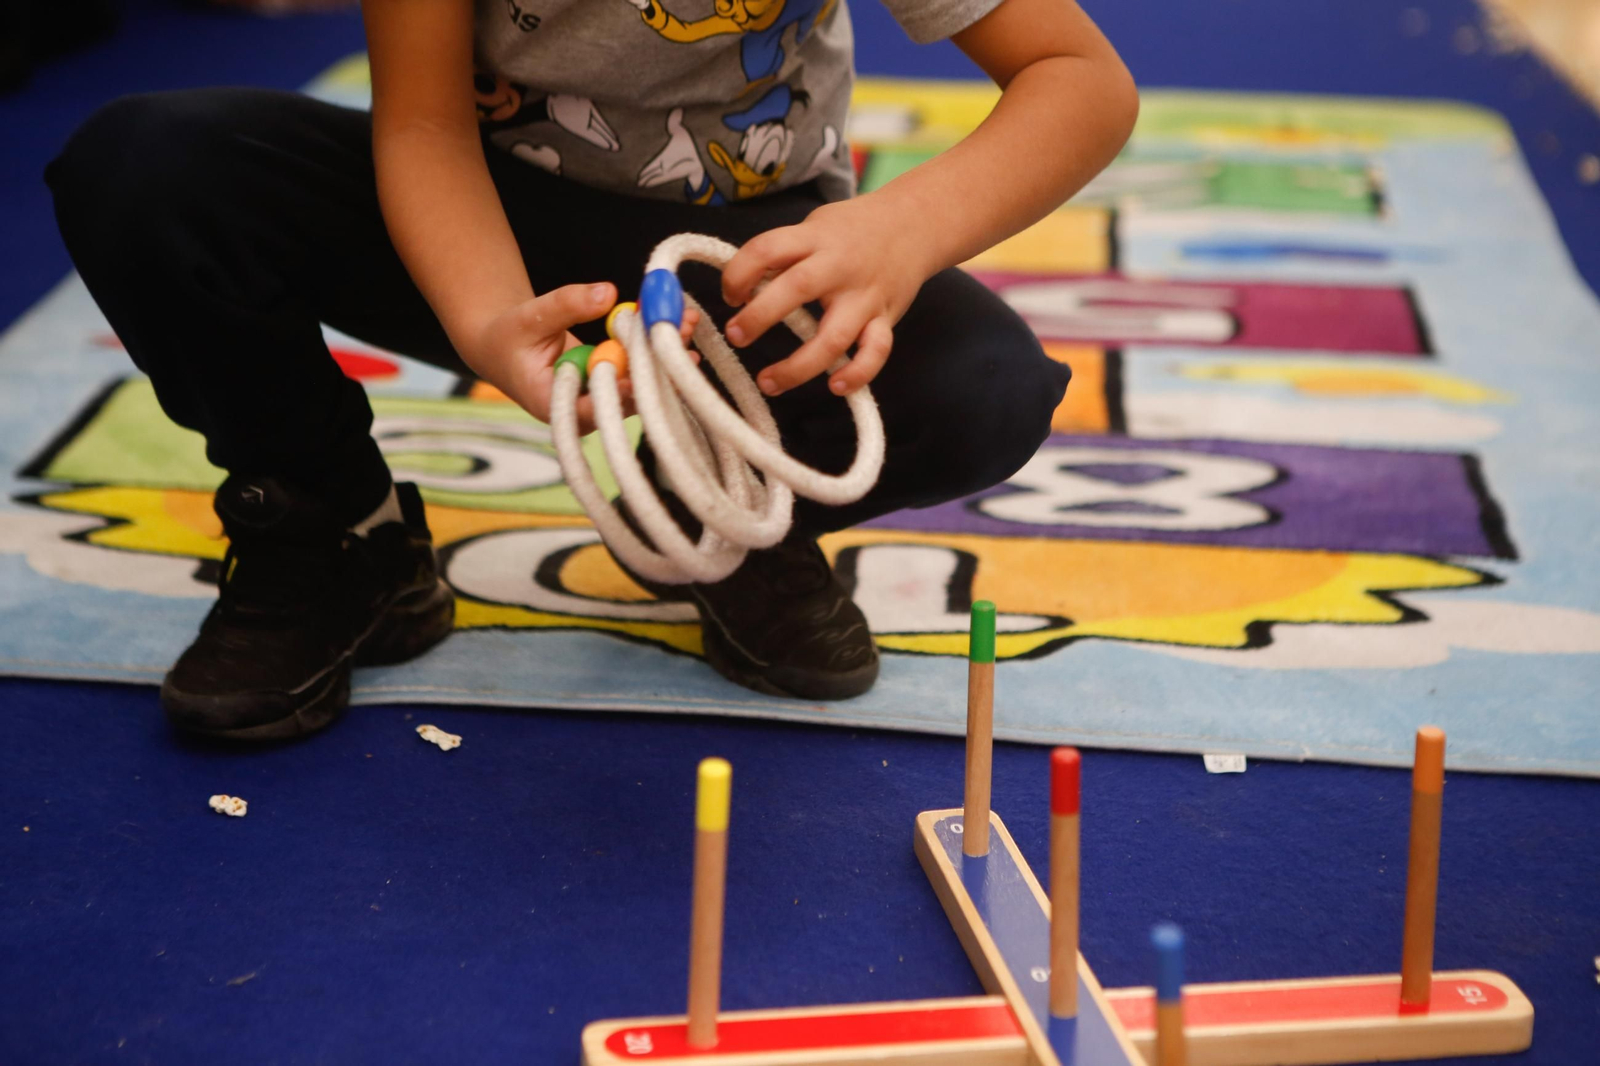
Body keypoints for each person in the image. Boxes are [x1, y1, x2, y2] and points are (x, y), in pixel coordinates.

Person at [45, 0, 1138, 741]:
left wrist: (901, 230)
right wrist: (486, 320)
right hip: (476, 216)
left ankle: (719, 514)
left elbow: (1080, 79)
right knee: (149, 167)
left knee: (984, 388)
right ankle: (338, 535)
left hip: (738, 261)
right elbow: (422, 125)